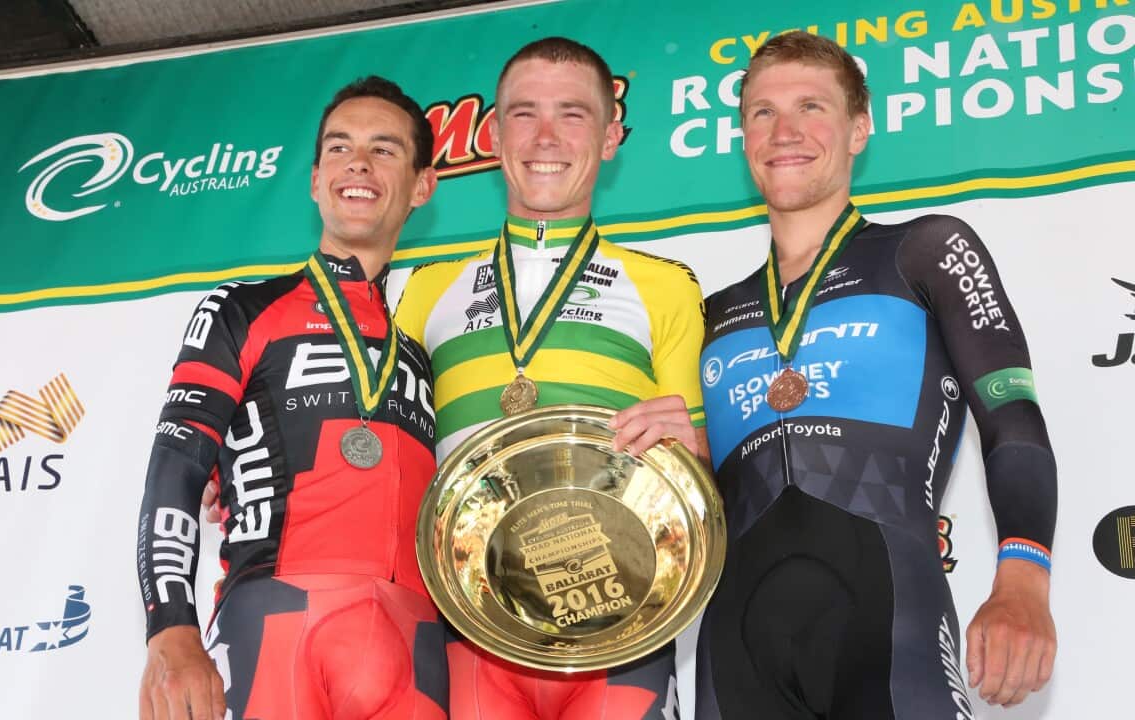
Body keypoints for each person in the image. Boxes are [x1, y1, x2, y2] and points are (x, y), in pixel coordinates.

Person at [695, 31, 1057, 720]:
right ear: (743, 137)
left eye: (811, 106)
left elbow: (1013, 421)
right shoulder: (709, 315)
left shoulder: (926, 250)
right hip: (735, 644)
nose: (784, 131)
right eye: (763, 112)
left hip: (891, 618)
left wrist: (1024, 579)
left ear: (859, 128)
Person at [394, 37, 705, 720]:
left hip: (622, 616)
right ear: (493, 136)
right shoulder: (424, 290)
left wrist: (692, 446)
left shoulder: (666, 287)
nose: (545, 137)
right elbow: (385, 451)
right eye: (524, 113)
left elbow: (700, 472)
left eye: (572, 114)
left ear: (610, 138)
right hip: (471, 624)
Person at [136, 76, 447, 720]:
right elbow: (178, 467)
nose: (357, 163)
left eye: (384, 149)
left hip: (416, 636)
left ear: (422, 186)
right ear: (314, 180)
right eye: (339, 148)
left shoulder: (425, 354)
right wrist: (170, 628)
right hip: (277, 617)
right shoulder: (243, 308)